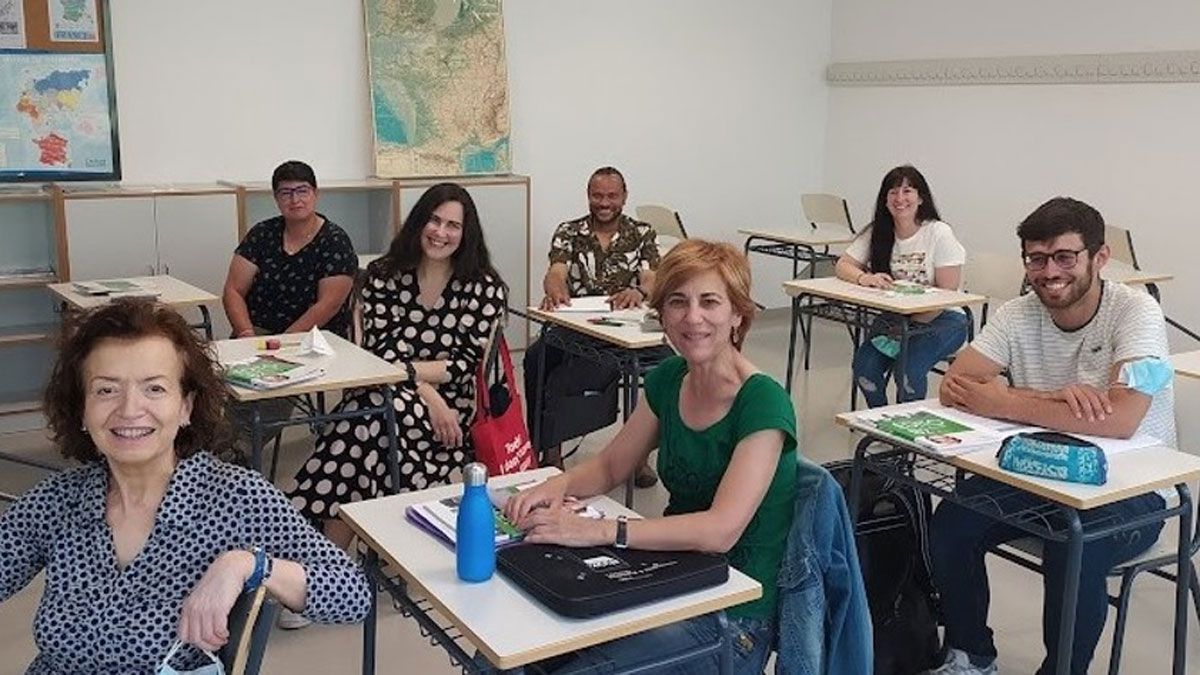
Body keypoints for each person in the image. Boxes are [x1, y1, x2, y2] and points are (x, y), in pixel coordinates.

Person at [0, 299, 370, 674]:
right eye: (106, 390)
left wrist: (249, 565)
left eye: (155, 389)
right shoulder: (59, 501)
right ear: (82, 409)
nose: (129, 409)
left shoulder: (233, 498)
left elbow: (352, 592)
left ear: (186, 407)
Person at [506, 240, 798, 674]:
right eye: (677, 302)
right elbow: (611, 465)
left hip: (733, 618)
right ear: (661, 314)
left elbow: (718, 532)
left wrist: (597, 531)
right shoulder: (670, 378)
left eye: (710, 302)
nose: (692, 317)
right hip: (671, 578)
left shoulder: (763, 403)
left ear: (738, 314)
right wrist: (555, 485)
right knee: (510, 652)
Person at [929, 197, 1176, 675]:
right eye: (1036, 258)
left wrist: (1005, 400)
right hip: (1041, 471)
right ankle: (972, 655)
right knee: (953, 522)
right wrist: (1057, 398)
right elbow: (956, 385)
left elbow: (1121, 419)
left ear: (1099, 258)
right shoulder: (1019, 313)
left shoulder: (1136, 313)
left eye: (1065, 257)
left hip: (1134, 492)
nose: (1049, 271)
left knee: (1073, 539)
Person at [288, 183, 507, 549]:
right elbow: (378, 355)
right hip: (392, 392)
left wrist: (420, 386)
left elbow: (464, 366)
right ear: (419, 222)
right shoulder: (384, 275)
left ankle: (323, 557)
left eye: (452, 225)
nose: (440, 232)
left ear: (466, 234)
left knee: (362, 423)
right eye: (434, 221)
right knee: (370, 421)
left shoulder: (483, 287)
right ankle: (331, 561)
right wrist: (426, 394)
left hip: (453, 414)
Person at [524, 166, 665, 486]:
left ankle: (639, 457)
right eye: (597, 196)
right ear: (588, 196)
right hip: (577, 327)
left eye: (611, 196)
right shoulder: (568, 231)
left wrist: (639, 292)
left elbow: (652, 280)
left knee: (668, 371)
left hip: (628, 328)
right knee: (536, 359)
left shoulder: (642, 233)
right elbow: (556, 271)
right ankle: (549, 452)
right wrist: (554, 288)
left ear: (624, 197)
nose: (604, 202)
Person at [834, 165, 969, 407]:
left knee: (908, 370)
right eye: (893, 192)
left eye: (907, 191)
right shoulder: (879, 231)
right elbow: (843, 265)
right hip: (898, 319)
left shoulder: (939, 232)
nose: (900, 199)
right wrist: (865, 278)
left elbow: (947, 294)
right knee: (864, 368)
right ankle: (882, 423)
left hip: (945, 319)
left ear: (920, 197)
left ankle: (908, 435)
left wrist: (910, 320)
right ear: (885, 200)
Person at [222, 160, 357, 339]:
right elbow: (233, 290)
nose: (295, 200)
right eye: (286, 193)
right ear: (276, 198)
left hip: (314, 339)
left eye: (302, 191)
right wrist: (245, 333)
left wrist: (284, 342)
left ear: (316, 194)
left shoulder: (335, 241)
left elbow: (328, 305)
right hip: (256, 335)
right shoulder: (262, 233)